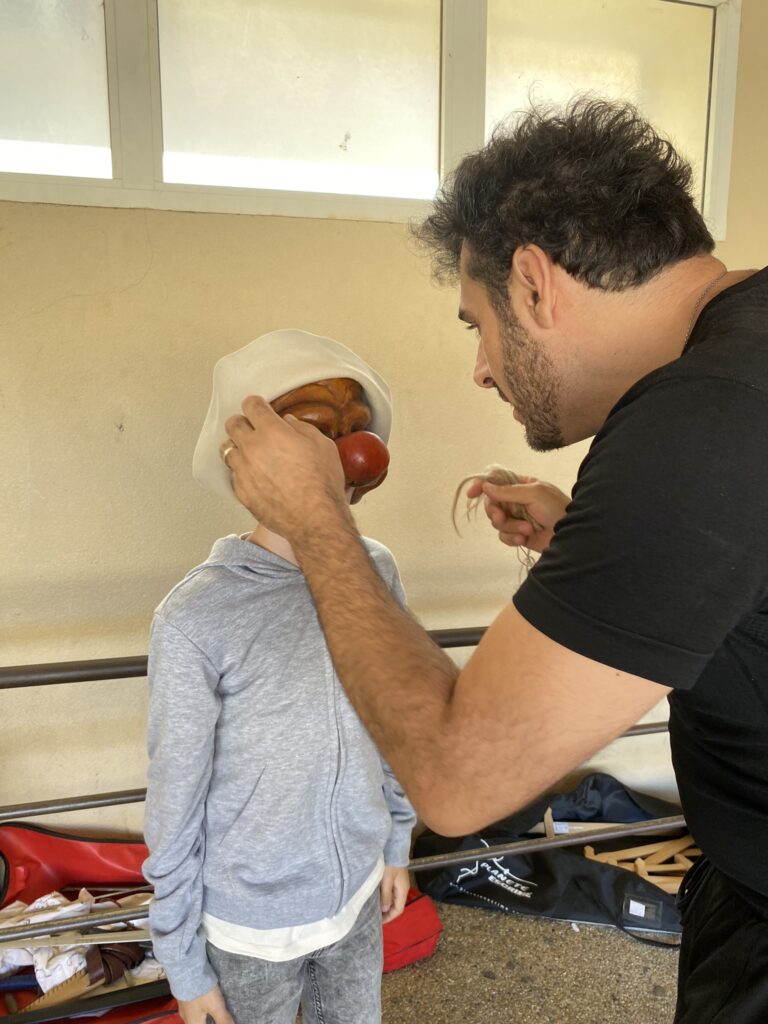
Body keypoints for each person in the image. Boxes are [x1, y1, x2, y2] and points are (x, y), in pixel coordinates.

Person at [217, 100, 768, 1022]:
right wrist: (598, 543)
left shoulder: (700, 422)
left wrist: (317, 522)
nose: (481, 367)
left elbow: (455, 781)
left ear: (535, 283)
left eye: (477, 323)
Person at [143, 329, 415, 1024]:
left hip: (356, 894)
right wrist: (183, 965)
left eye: (354, 433)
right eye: (316, 435)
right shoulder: (197, 617)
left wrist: (395, 842)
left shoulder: (377, 571)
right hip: (248, 928)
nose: (347, 457)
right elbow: (175, 798)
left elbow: (395, 714)